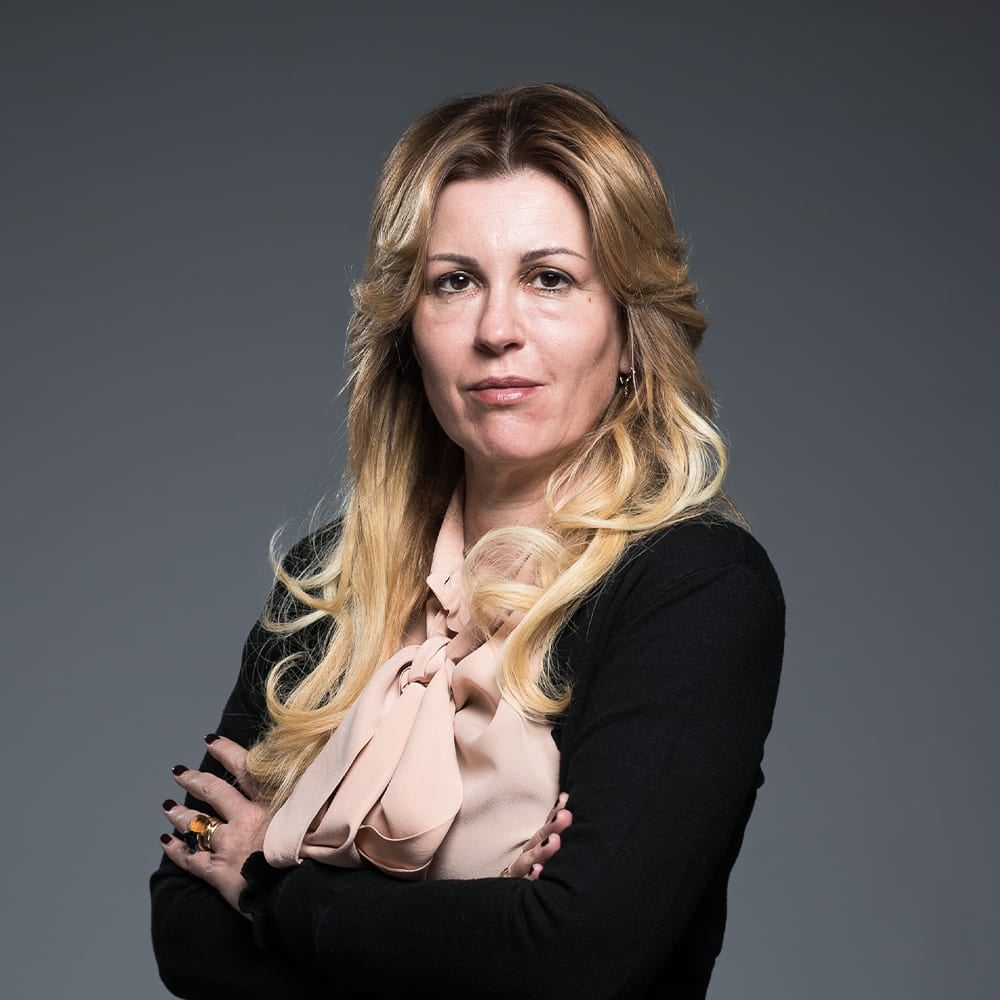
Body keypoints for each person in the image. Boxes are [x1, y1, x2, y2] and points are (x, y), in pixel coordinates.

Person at [150, 81, 785, 999]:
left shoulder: (694, 587)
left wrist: (266, 885)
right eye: (455, 282)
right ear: (409, 331)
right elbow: (184, 918)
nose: (496, 330)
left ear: (630, 330)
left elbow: (572, 958)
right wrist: (479, 930)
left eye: (550, 279)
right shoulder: (328, 581)